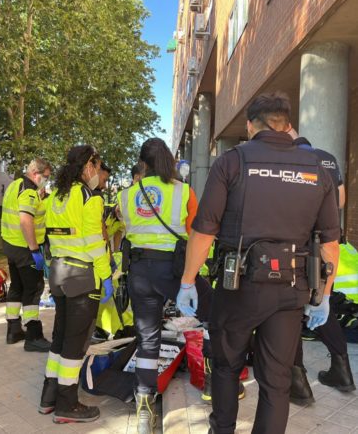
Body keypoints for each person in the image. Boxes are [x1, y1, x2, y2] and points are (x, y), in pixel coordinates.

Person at [179, 92, 340, 434]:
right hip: (291, 290)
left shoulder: (232, 161)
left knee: (225, 367)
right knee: (276, 380)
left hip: (238, 288)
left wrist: (188, 282)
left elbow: (204, 230)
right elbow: (329, 242)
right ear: (288, 126)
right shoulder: (318, 169)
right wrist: (324, 293)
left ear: (251, 125)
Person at [117, 137, 198, 434]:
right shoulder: (184, 191)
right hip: (175, 269)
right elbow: (197, 234)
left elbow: (127, 228)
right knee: (211, 320)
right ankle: (214, 382)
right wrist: (194, 277)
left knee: (148, 338)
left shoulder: (125, 196)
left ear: (142, 163)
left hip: (138, 270)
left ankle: (143, 411)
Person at [38, 145, 113, 424]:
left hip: (58, 274)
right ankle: (67, 404)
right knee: (76, 342)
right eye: (97, 165)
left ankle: (49, 397)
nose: (98, 171)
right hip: (83, 278)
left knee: (60, 336)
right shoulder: (90, 198)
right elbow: (96, 244)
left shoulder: (56, 196)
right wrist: (106, 277)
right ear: (88, 167)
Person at [288, 130, 355, 405]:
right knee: (321, 300)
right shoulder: (328, 159)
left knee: (291, 306)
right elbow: (339, 201)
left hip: (298, 239)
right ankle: (342, 370)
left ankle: (299, 382)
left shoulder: (290, 161)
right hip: (326, 237)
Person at [2, 158, 52, 352]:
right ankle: (33, 336)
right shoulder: (29, 191)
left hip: (10, 245)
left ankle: (13, 330)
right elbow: (25, 221)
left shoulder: (15, 185)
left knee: (16, 286)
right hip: (25, 248)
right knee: (34, 288)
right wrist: (34, 249)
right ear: (35, 173)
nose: (46, 181)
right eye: (45, 177)